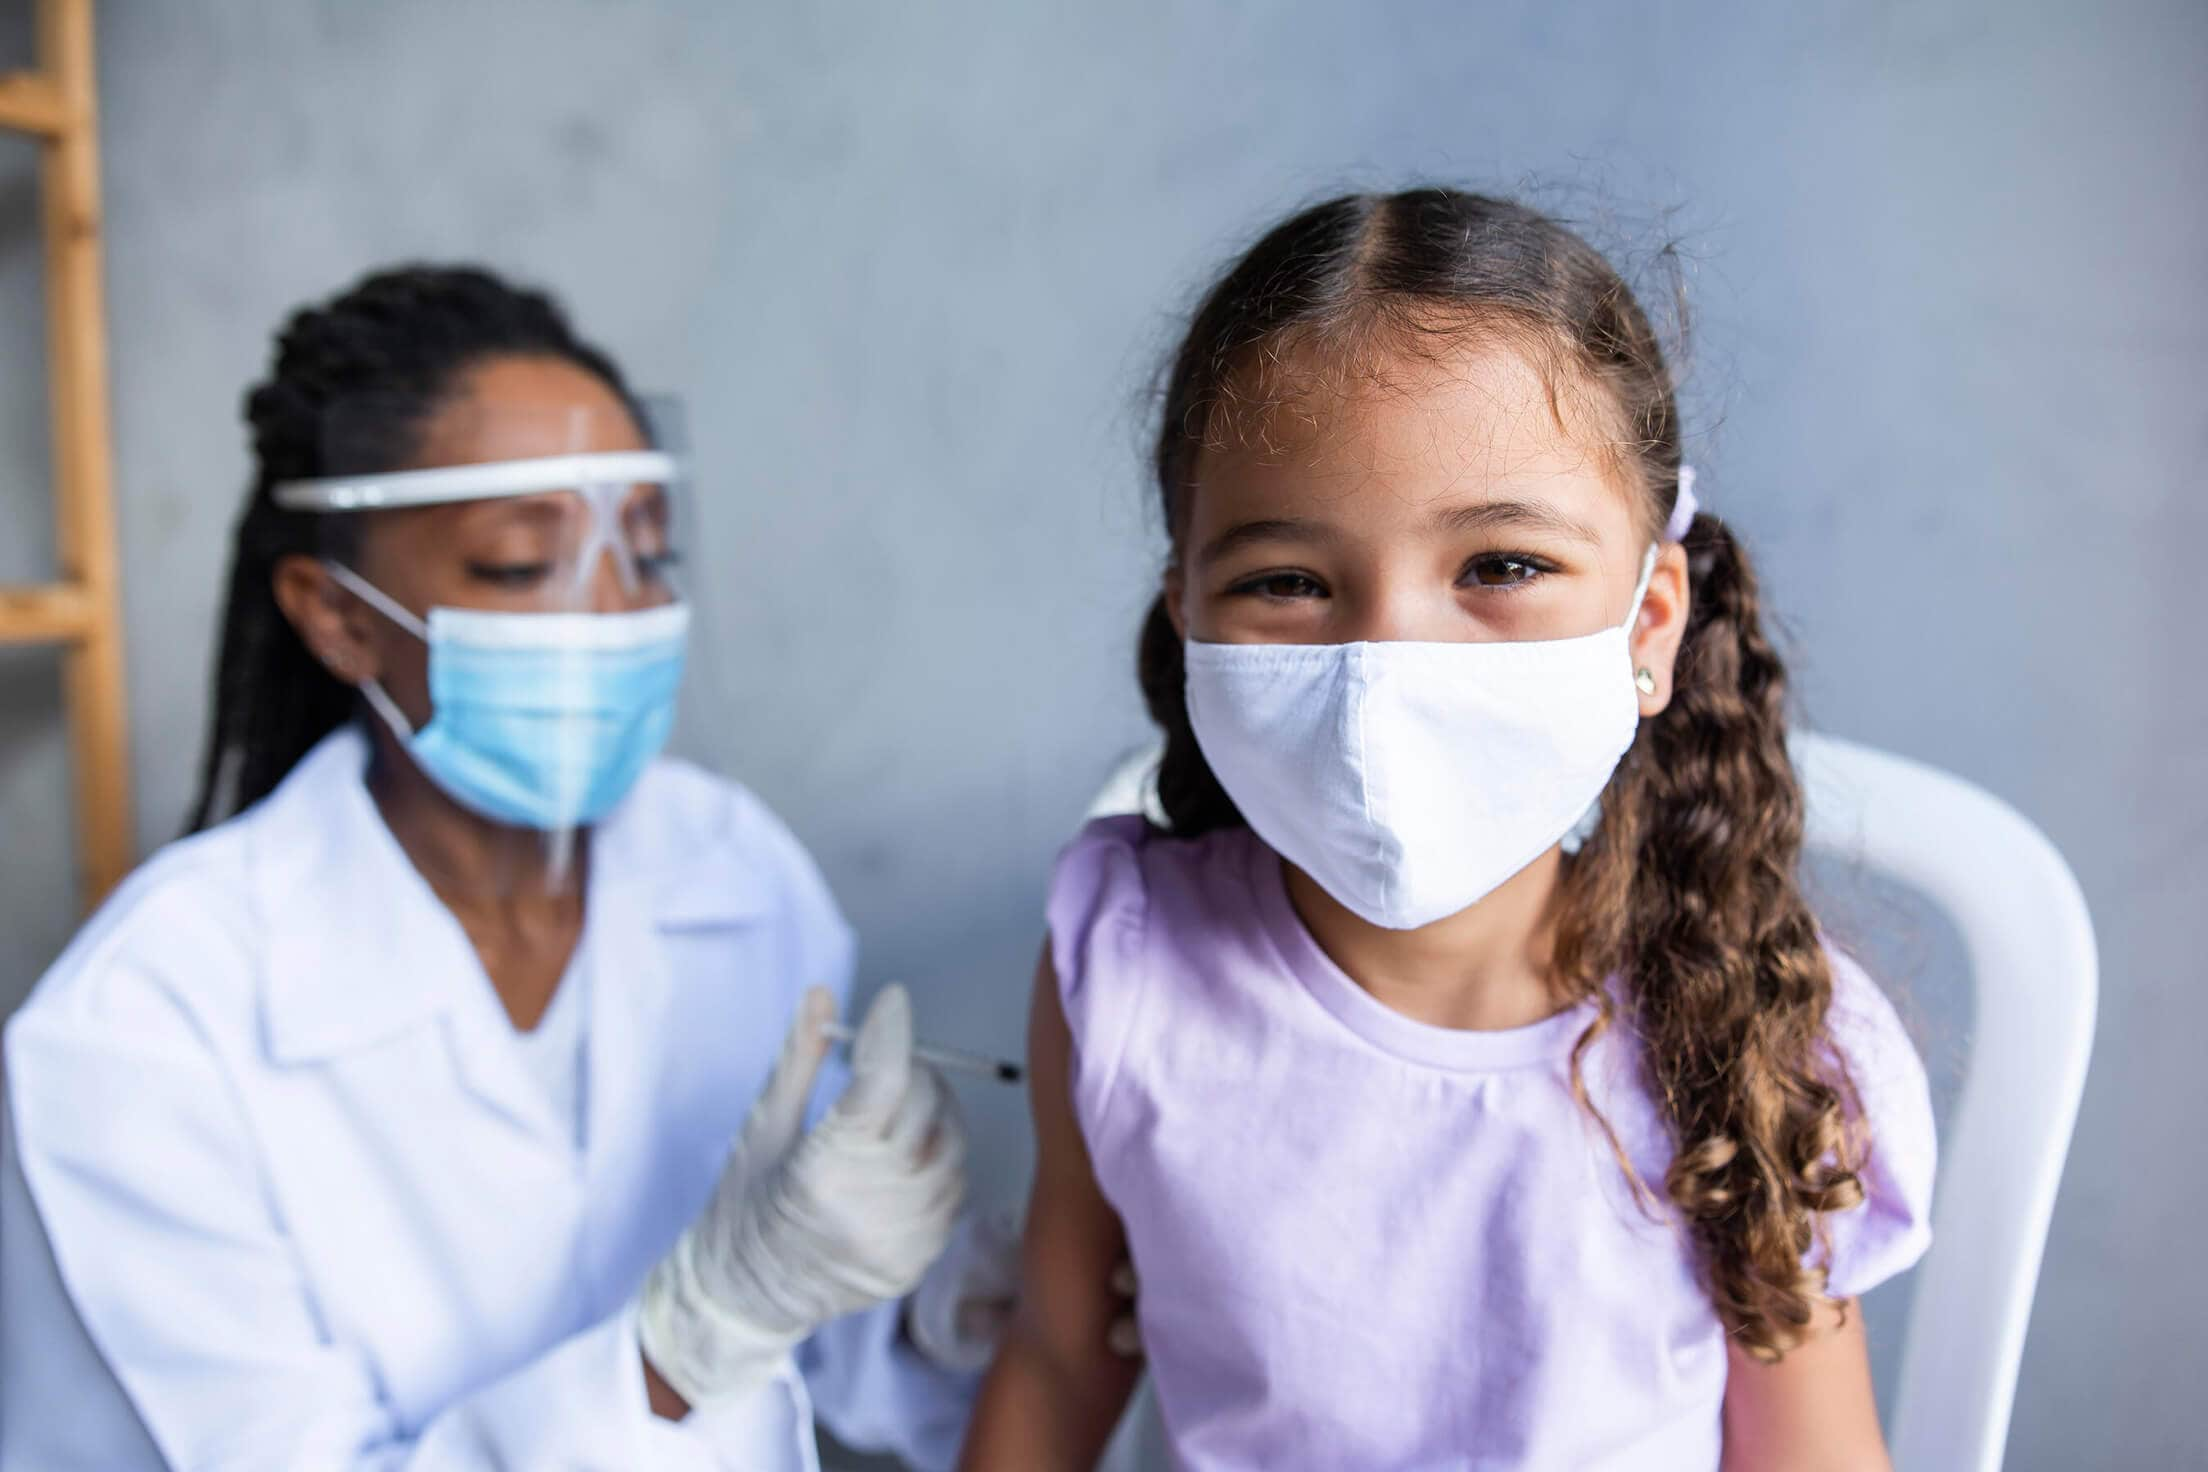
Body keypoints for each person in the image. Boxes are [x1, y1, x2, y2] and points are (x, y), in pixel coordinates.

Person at [961, 190, 1936, 1470]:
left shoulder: (1752, 1032)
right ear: (1190, 619)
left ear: (1649, 624)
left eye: (1501, 566)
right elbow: (1057, 1357)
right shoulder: (1129, 967)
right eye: (1289, 583)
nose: (1386, 664)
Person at [0, 265, 1002, 1470]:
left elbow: (807, 1348)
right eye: (526, 565)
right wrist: (691, 1341)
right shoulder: (147, 1021)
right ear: (338, 614)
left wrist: (934, 1314)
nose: (610, 615)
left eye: (642, 552)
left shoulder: (730, 871)